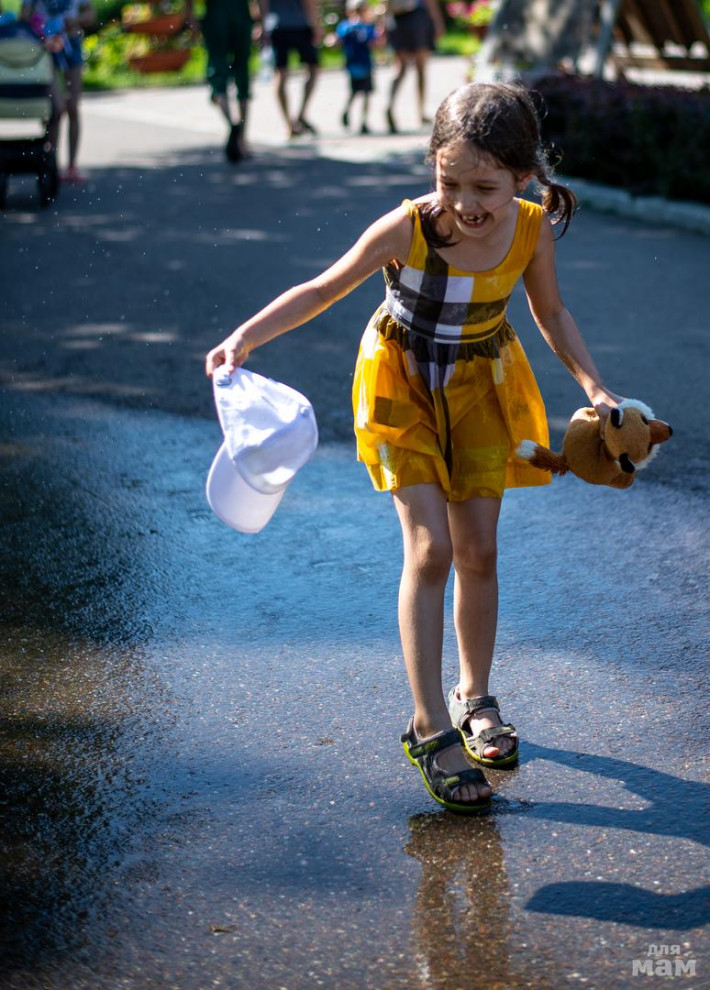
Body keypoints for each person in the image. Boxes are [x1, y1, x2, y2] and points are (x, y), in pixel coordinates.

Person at [205, 82, 623, 814]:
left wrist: (595, 386)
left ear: (523, 176)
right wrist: (246, 336)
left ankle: (474, 696)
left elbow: (551, 312)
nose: (464, 202)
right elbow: (324, 287)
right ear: (433, 166)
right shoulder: (408, 227)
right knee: (431, 550)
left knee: (479, 551)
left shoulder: (530, 229)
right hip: (401, 382)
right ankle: (430, 727)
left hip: (481, 383)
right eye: (449, 181)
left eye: (484, 188)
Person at [20, 0, 95, 183]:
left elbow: (90, 15)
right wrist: (37, 23)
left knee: (73, 107)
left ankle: (71, 167)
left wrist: (75, 21)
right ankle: (52, 166)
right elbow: (23, 17)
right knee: (57, 108)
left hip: (71, 44)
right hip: (46, 48)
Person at [185, 0, 265, 163]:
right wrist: (261, 20)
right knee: (242, 74)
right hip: (240, 16)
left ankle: (233, 125)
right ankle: (242, 140)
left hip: (216, 17)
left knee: (217, 72)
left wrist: (190, 17)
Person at [261, 0, 320, 138]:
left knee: (281, 74)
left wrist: (264, 26)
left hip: (277, 26)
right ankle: (299, 117)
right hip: (300, 25)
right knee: (312, 69)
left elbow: (262, 3)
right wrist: (316, 26)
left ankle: (290, 123)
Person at [385, 0, 445, 133]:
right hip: (417, 19)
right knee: (421, 68)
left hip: (396, 20)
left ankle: (390, 104)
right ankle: (421, 113)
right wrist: (438, 23)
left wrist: (383, 24)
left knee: (400, 68)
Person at [336, 0, 380, 135]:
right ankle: (353, 115)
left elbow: (374, 43)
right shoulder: (349, 27)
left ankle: (363, 121)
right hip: (357, 64)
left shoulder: (355, 27)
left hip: (363, 64)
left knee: (363, 93)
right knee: (358, 92)